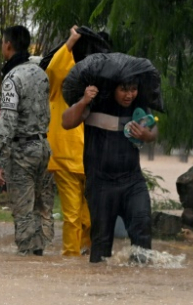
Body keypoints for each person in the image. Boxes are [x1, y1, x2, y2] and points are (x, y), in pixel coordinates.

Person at [62, 80, 157, 263]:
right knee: (101, 244)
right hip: (101, 184)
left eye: (134, 89)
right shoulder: (95, 102)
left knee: (142, 229)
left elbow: (153, 130)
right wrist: (83, 101)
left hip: (132, 181)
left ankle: (142, 285)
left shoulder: (139, 105)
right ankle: (101, 287)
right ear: (113, 87)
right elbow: (66, 122)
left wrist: (147, 136)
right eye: (124, 90)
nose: (129, 95)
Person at [0, 25, 54, 256]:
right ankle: (40, 255)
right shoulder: (40, 72)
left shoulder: (12, 78)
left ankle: (29, 258)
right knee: (42, 208)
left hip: (22, 151)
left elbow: (7, 123)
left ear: (7, 45)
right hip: (44, 147)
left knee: (24, 211)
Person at [45, 26, 91, 256]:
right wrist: (71, 40)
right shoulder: (61, 84)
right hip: (65, 158)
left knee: (90, 217)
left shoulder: (95, 83)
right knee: (72, 215)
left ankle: (87, 255)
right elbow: (54, 69)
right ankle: (71, 258)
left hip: (91, 159)